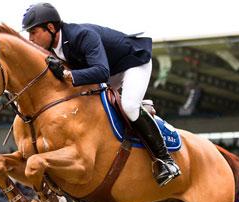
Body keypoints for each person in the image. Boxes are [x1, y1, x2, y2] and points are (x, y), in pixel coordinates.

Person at [22, 3, 180, 186]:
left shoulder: (81, 35)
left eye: (33, 32)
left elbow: (101, 72)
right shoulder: (50, 48)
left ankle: (165, 160)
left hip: (132, 62)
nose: (30, 38)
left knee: (129, 106)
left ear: (50, 28)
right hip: (111, 69)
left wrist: (68, 74)